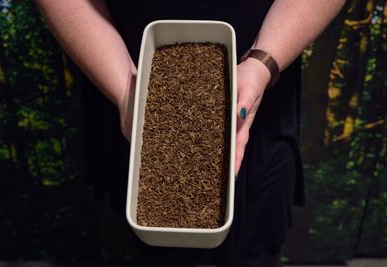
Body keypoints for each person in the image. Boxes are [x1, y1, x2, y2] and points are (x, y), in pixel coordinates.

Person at [35, 1, 346, 266]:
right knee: (153, 252)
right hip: (124, 74)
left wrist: (263, 63)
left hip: (266, 82)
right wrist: (127, 93)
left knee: (255, 248)